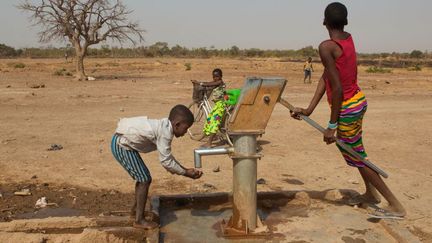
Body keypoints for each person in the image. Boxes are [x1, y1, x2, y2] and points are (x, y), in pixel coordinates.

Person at [291, 2, 405, 219]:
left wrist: (331, 126)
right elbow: (327, 77)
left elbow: (338, 87)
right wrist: (309, 109)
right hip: (357, 101)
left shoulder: (326, 46)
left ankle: (395, 205)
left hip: (348, 106)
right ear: (346, 22)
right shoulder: (347, 39)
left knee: (357, 156)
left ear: (324, 22)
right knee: (356, 152)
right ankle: (371, 194)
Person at [111, 104, 203, 229]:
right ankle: (139, 220)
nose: (185, 132)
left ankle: (136, 212)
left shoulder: (164, 127)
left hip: (124, 142)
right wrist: (186, 172)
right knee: (144, 179)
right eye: (185, 128)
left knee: (142, 177)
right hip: (122, 145)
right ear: (176, 125)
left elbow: (167, 158)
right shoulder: (165, 133)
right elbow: (166, 161)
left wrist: (184, 170)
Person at [195, 68, 226, 147]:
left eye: (217, 76)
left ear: (221, 76)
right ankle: (216, 136)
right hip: (218, 105)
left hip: (220, 105)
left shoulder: (219, 82)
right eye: (214, 77)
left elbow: (209, 84)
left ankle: (209, 143)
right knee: (210, 119)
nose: (215, 78)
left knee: (213, 122)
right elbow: (210, 83)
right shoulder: (217, 82)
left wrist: (199, 83)